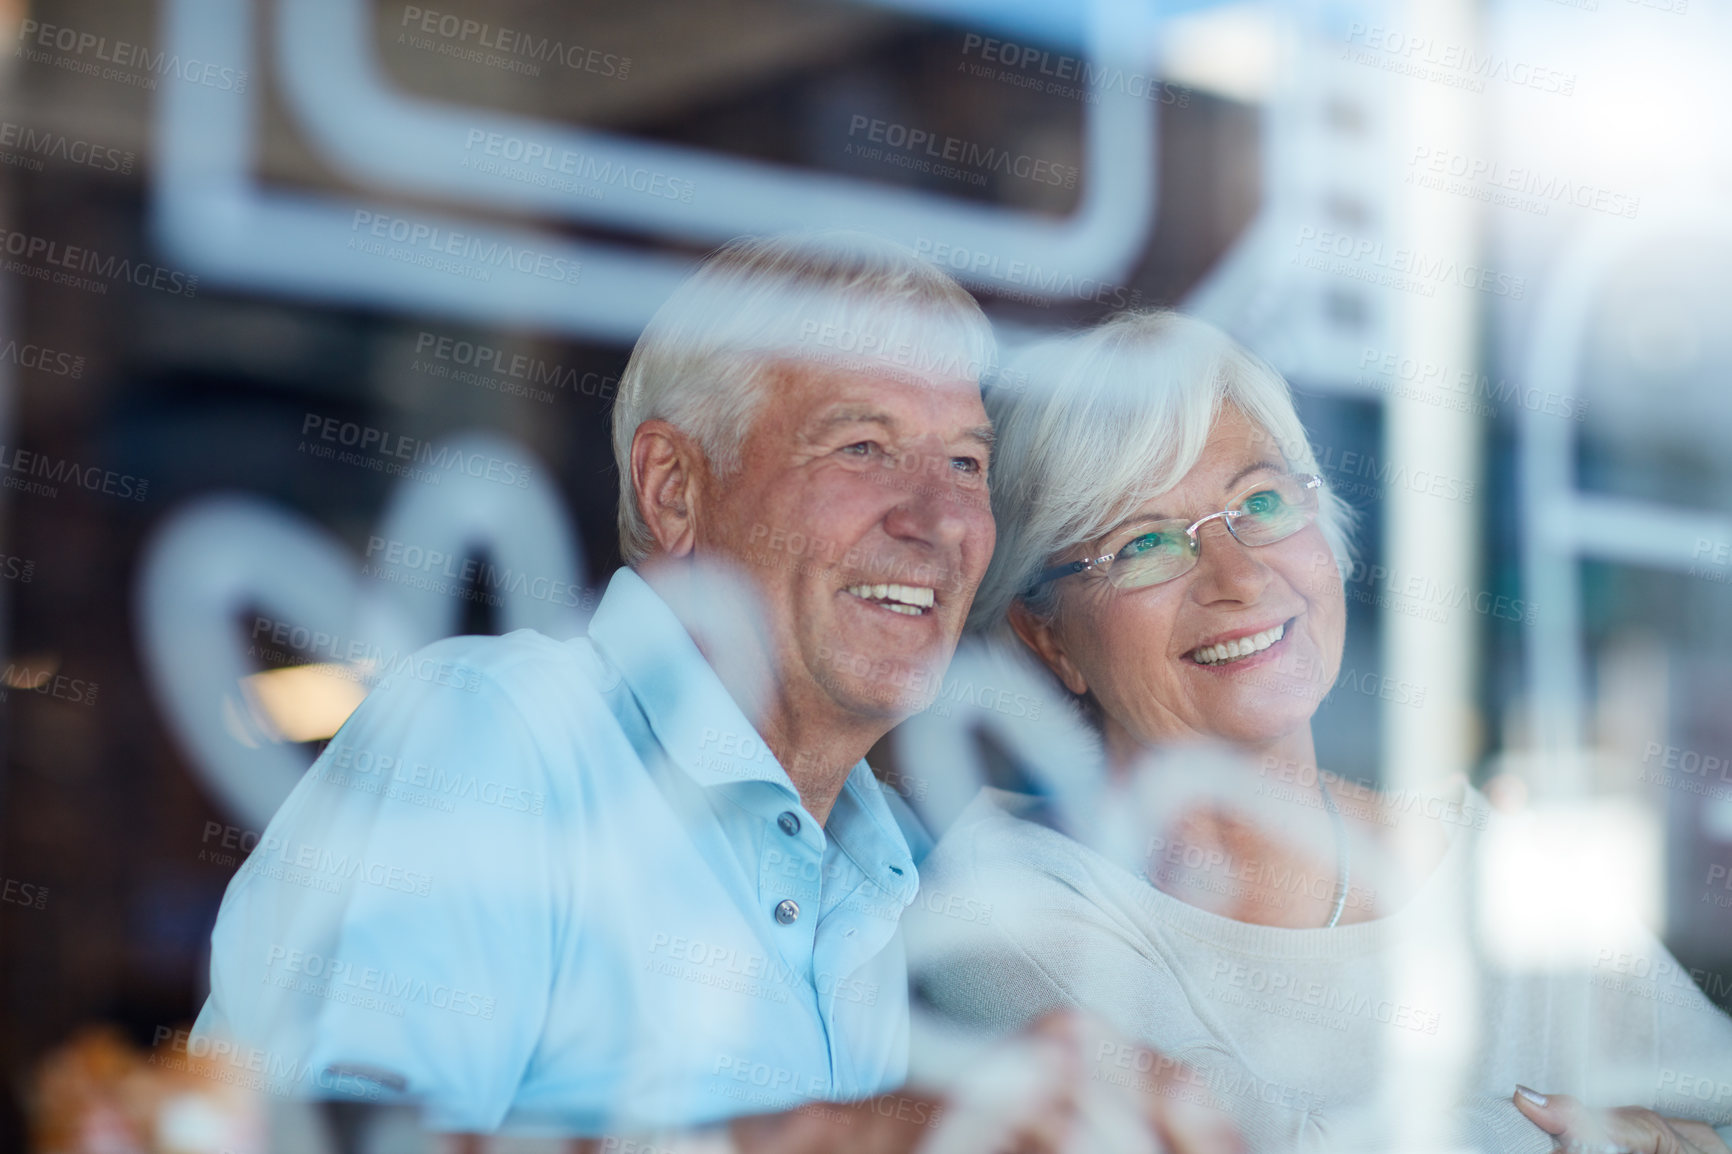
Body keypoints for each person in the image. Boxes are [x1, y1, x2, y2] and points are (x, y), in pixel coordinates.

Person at [192, 236, 1234, 1154]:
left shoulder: (906, 866)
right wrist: (841, 1135)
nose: (940, 519)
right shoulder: (499, 730)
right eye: (861, 445)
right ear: (673, 490)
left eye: (965, 461)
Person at [905, 309, 1732, 1153]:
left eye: (1260, 503)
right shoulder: (1002, 905)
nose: (1239, 577)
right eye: (1145, 543)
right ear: (1048, 639)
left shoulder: (1498, 868)